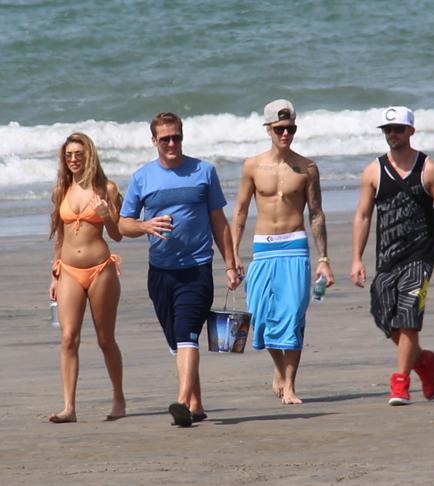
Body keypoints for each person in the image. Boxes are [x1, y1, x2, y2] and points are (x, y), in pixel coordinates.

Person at [119, 112, 240, 427]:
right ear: (154, 141)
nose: (172, 143)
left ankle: (182, 402)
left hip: (197, 268)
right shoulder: (142, 177)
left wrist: (230, 263)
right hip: (160, 272)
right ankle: (196, 403)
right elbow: (123, 224)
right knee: (178, 341)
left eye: (176, 137)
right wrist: (145, 225)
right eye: (165, 139)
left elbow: (218, 221)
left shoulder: (204, 172)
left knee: (187, 333)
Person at [350, 106, 434, 406]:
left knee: (409, 318)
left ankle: (400, 383)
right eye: (387, 129)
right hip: (387, 257)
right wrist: (356, 258)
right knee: (384, 317)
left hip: (421, 255)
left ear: (411, 131)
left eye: (398, 129)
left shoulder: (428, 169)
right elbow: (363, 216)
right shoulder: (373, 171)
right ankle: (423, 361)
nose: (392, 134)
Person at [231, 99, 334, 404]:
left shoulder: (307, 168)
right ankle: (279, 367)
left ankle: (290, 384)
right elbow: (240, 211)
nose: (286, 133)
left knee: (292, 316)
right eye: (279, 129)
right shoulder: (252, 166)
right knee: (260, 318)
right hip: (263, 248)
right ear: (268, 130)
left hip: (295, 247)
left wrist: (323, 259)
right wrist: (233, 255)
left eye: (290, 128)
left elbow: (316, 213)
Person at [48, 132, 126, 423]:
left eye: (78, 154)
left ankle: (118, 398)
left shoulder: (107, 188)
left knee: (105, 339)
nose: (73, 159)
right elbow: (60, 235)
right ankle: (69, 407)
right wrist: (55, 273)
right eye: (68, 155)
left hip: (100, 269)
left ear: (89, 155)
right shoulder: (62, 190)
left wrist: (105, 215)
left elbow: (117, 235)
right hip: (68, 270)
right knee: (68, 338)